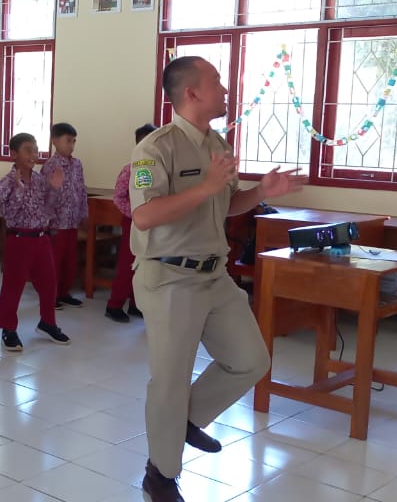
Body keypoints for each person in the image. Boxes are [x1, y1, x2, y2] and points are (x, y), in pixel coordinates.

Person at [131, 56, 305, 502]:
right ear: (192, 92)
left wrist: (262, 191)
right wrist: (205, 186)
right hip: (170, 277)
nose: (226, 89)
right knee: (169, 381)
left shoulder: (218, 144)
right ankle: (160, 475)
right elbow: (144, 215)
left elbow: (225, 204)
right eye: (217, 81)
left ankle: (185, 420)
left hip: (214, 275)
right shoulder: (154, 149)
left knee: (251, 360)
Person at [0, 133, 70, 351]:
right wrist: (19, 190)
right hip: (19, 239)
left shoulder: (38, 180)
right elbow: (8, 213)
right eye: (28, 150)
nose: (33, 154)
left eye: (35, 150)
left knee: (49, 283)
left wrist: (54, 188)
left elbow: (48, 208)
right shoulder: (6, 182)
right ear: (14, 154)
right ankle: (8, 329)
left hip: (41, 238)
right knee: (13, 286)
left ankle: (48, 322)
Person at [106, 123, 157, 322]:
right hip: (133, 223)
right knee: (128, 265)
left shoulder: (160, 170)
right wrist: (136, 214)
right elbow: (118, 198)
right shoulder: (129, 170)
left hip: (154, 225)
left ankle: (136, 304)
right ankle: (114, 305)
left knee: (146, 266)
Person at [41, 122, 87, 309]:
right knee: (55, 261)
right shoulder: (50, 166)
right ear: (54, 141)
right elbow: (44, 194)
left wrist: (84, 214)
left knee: (70, 260)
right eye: (68, 141)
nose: (71, 145)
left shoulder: (77, 164)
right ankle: (50, 295)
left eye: (74, 141)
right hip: (56, 222)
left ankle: (64, 292)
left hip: (72, 220)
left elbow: (82, 190)